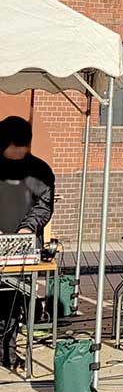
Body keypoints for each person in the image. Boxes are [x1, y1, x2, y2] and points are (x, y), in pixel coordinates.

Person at [0, 116, 55, 371]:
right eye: (14, 150)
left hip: (22, 246)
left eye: (23, 150)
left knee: (11, 301)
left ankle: (8, 354)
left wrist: (26, 229)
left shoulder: (40, 171)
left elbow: (44, 206)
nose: (19, 155)